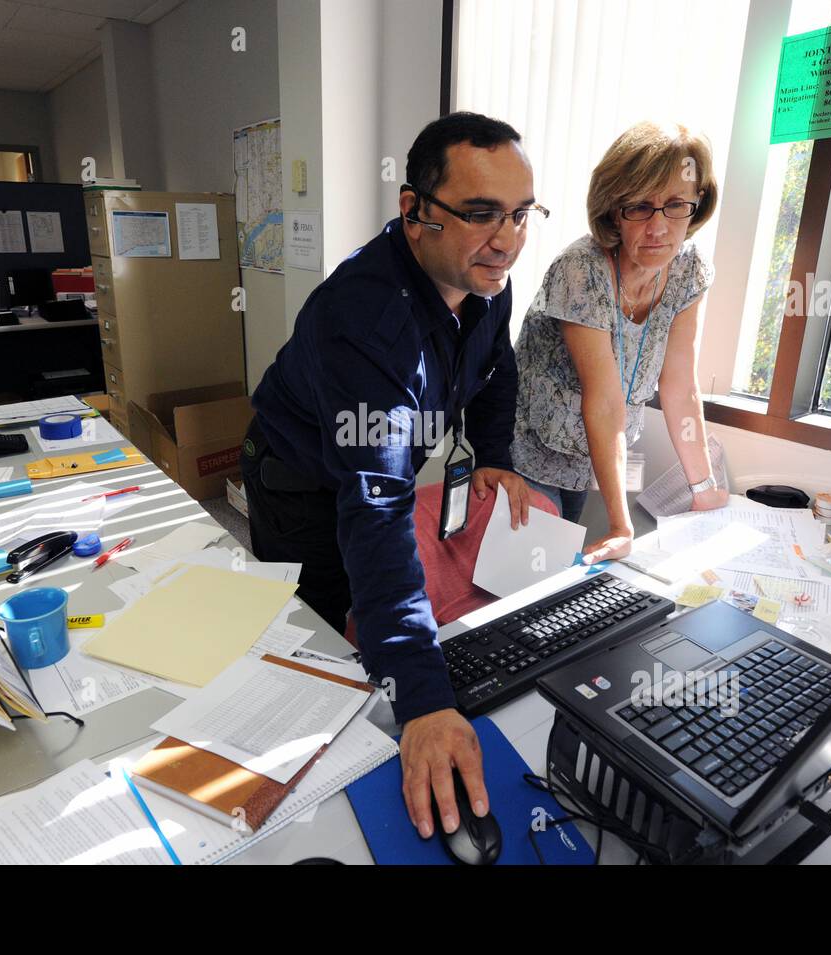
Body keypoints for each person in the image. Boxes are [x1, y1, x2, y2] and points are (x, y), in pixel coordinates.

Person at [243, 112, 548, 839]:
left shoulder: (486, 278)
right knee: (318, 653)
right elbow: (375, 508)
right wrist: (422, 698)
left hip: (366, 475)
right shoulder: (365, 320)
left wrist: (497, 454)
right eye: (480, 214)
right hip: (299, 483)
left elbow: (496, 369)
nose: (506, 238)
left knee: (374, 628)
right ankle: (308, 822)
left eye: (521, 214)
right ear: (413, 210)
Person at [511, 121, 728, 560]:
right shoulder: (581, 270)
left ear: (697, 204)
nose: (658, 228)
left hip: (590, 455)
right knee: (521, 580)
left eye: (675, 206)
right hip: (528, 449)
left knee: (559, 573)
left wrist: (703, 488)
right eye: (639, 207)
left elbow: (680, 384)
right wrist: (620, 523)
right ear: (613, 210)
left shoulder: (688, 271)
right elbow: (604, 398)